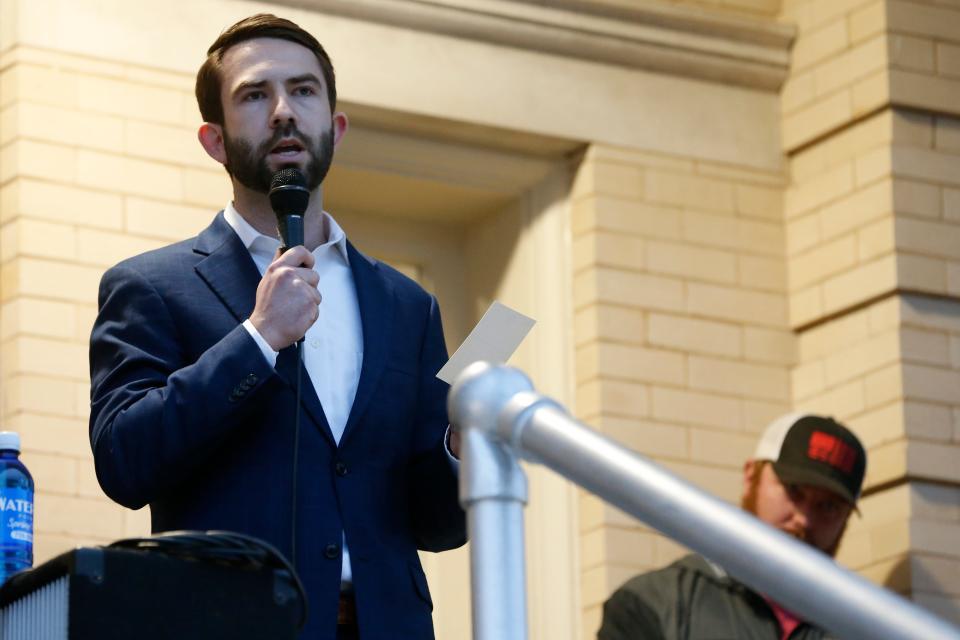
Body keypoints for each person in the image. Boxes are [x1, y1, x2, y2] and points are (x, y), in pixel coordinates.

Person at [88, 14, 466, 640]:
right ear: (213, 140)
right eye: (255, 95)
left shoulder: (407, 305)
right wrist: (257, 338)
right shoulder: (152, 286)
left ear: (336, 129)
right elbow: (125, 463)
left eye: (304, 91)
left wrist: (458, 452)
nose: (284, 112)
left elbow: (437, 526)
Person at [598, 413, 867, 640]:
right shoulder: (654, 604)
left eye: (829, 506)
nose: (804, 519)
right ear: (751, 477)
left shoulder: (867, 627)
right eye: (794, 491)